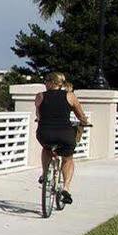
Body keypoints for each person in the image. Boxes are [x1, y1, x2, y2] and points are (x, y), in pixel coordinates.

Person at [34, 71, 87, 205]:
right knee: (68, 158)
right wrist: (84, 122)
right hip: (65, 134)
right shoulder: (70, 96)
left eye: (46, 81)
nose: (45, 83)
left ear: (52, 83)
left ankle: (46, 175)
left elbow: (39, 116)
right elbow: (80, 115)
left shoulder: (40, 96)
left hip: (44, 133)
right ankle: (66, 189)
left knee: (46, 148)